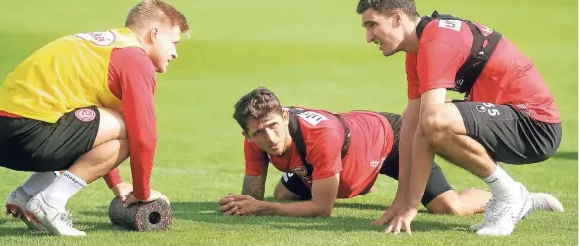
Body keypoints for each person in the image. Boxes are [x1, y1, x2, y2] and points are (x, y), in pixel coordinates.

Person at [355, 0, 563, 236]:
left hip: (535, 126)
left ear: (397, 17)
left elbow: (429, 124)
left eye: (372, 24)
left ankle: (510, 196)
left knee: (435, 120)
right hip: (510, 118)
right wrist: (401, 199)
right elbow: (411, 126)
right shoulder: (418, 49)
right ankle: (513, 195)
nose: (368, 37)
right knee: (416, 116)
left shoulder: (436, 42)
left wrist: (411, 206)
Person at [0, 0, 189, 236]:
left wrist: (116, 185)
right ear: (154, 34)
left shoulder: (103, 47)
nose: (175, 53)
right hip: (28, 132)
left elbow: (92, 135)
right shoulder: (135, 59)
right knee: (130, 127)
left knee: (113, 121)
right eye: (174, 42)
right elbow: (143, 135)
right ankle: (51, 202)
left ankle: (27, 194)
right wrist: (142, 192)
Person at [217, 87, 562, 218]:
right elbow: (253, 196)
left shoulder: (319, 135)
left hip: (390, 141)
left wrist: (263, 208)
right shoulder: (255, 139)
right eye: (258, 133)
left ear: (286, 117)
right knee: (283, 194)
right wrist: (249, 204)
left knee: (448, 208)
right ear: (246, 133)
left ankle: (519, 197)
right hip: (341, 152)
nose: (268, 138)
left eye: (273, 127)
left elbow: (323, 208)